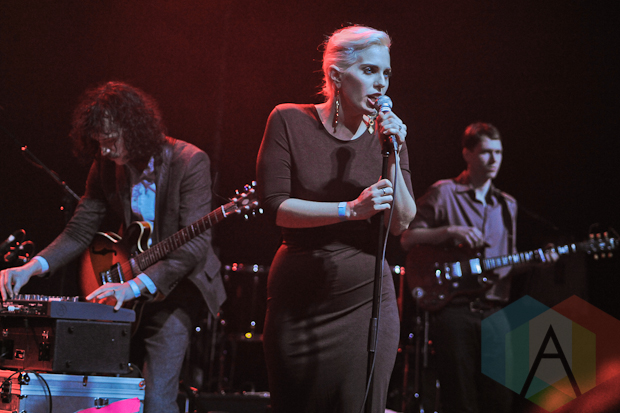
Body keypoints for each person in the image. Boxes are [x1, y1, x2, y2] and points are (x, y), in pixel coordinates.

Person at [0, 81, 226, 413]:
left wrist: (133, 286)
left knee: (157, 398)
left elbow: (193, 248)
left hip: (176, 287)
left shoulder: (189, 161)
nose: (104, 151)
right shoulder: (106, 165)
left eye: (110, 141)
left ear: (135, 129)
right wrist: (31, 268)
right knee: (106, 388)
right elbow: (80, 230)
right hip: (126, 282)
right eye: (99, 143)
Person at [256, 25, 417, 413]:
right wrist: (350, 210)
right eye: (369, 71)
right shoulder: (288, 120)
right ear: (336, 76)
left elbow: (402, 222)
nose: (381, 83)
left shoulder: (389, 137)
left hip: (366, 301)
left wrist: (393, 152)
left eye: (386, 73)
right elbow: (275, 206)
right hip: (300, 301)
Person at [401, 122, 520, 413]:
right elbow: (407, 238)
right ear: (467, 154)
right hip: (455, 310)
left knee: (501, 399)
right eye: (486, 152)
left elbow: (510, 259)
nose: (494, 160)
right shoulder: (444, 192)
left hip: (495, 310)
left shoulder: (508, 204)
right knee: (460, 399)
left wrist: (540, 260)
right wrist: (449, 231)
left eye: (499, 153)